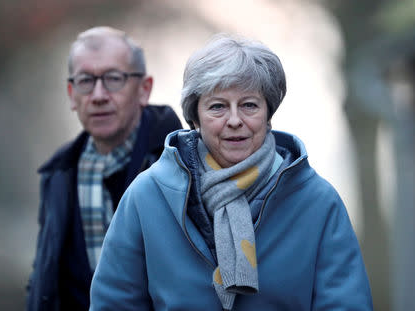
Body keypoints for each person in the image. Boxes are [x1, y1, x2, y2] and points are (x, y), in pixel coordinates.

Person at [90, 34, 373, 310]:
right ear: (195, 117)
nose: (235, 120)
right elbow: (114, 303)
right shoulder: (147, 197)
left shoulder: (317, 202)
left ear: (268, 112)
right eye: (218, 107)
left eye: (249, 105)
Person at [26, 26, 182, 311]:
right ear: (72, 94)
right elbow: (43, 279)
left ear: (144, 89)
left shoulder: (181, 165)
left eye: (113, 79)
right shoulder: (58, 175)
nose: (98, 95)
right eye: (86, 80)